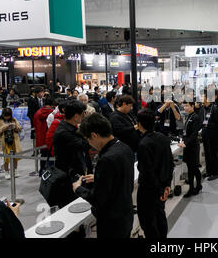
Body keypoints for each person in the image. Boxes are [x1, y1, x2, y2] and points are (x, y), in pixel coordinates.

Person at [72, 113, 134, 238]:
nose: (89, 144)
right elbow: (121, 177)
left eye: (88, 139)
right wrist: (99, 178)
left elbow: (98, 199)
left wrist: (78, 189)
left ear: (94, 135)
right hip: (126, 213)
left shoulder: (107, 159)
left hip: (111, 221)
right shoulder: (124, 147)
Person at [136, 109, 174, 238]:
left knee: (148, 223)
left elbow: (148, 172)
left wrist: (159, 190)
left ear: (139, 124)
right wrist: (166, 186)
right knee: (160, 217)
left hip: (149, 190)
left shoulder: (143, 144)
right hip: (162, 186)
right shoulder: (163, 138)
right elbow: (170, 163)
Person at [53, 100, 93, 208]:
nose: (84, 115)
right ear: (76, 116)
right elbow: (84, 145)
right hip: (68, 177)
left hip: (76, 173)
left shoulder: (70, 128)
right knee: (72, 206)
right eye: (83, 113)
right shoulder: (64, 132)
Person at [178, 102, 202, 198]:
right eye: (185, 105)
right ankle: (191, 188)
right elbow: (185, 131)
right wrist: (182, 140)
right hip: (187, 146)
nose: (185, 107)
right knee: (190, 169)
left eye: (187, 105)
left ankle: (198, 185)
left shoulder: (196, 117)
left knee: (194, 168)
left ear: (192, 106)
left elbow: (194, 134)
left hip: (193, 146)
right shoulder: (188, 116)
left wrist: (185, 143)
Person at [200, 91, 218, 181]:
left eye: (203, 96)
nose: (202, 98)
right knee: (207, 153)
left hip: (212, 134)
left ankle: (214, 173)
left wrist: (216, 134)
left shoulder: (214, 109)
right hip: (205, 133)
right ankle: (209, 171)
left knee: (213, 154)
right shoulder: (203, 108)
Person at [0, 108, 22, 180]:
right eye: (5, 116)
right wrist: (5, 127)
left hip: (14, 141)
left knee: (15, 157)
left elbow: (19, 129)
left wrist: (15, 126)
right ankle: (6, 172)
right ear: (2, 115)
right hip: (4, 142)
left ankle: (15, 170)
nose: (7, 117)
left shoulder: (14, 120)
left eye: (8, 116)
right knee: (5, 158)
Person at [33, 96, 55, 176]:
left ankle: (41, 171)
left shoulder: (37, 112)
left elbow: (34, 124)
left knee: (43, 156)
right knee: (51, 157)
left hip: (40, 138)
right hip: (49, 138)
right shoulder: (53, 114)